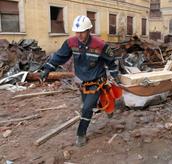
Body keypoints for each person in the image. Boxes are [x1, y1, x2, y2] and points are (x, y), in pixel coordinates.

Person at [40, 15, 120, 147]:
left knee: (86, 108)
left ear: (89, 30)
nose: (79, 35)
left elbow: (111, 61)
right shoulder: (71, 43)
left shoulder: (100, 45)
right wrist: (47, 69)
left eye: (82, 32)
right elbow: (59, 57)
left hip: (97, 81)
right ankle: (106, 103)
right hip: (82, 82)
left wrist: (115, 75)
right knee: (87, 104)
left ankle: (81, 134)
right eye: (77, 32)